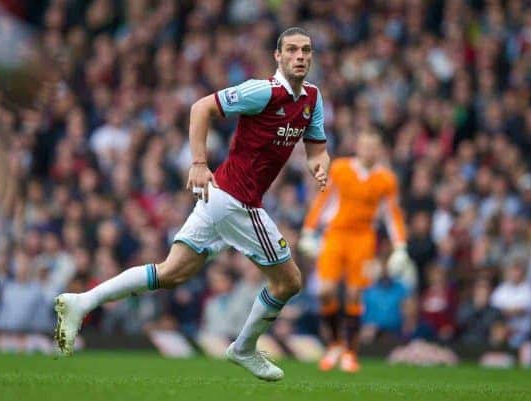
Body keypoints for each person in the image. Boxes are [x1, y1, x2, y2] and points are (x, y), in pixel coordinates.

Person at [54, 27, 329, 382]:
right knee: (289, 281)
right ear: (278, 56)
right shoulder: (263, 91)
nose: (300, 57)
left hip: (223, 199)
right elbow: (202, 108)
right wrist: (199, 163)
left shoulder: (313, 98)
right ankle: (244, 348)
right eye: (291, 50)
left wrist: (319, 164)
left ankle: (82, 302)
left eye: (306, 50)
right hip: (235, 200)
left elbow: (317, 148)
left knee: (172, 272)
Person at [300, 128, 410, 372]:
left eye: (373, 146)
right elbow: (323, 200)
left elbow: (393, 215)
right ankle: (335, 343)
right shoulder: (340, 168)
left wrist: (400, 246)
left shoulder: (386, 179)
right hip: (336, 234)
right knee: (325, 291)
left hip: (363, 238)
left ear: (379, 150)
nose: (368, 150)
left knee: (354, 294)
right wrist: (308, 231)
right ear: (357, 146)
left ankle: (350, 351)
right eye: (364, 145)